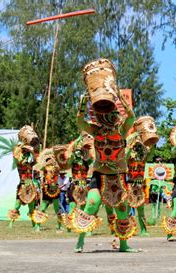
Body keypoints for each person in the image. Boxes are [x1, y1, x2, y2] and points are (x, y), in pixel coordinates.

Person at [71, 60, 136, 252]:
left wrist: (123, 102)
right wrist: (82, 106)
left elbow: (131, 118)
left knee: (122, 211)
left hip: (118, 176)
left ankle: (124, 245)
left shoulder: (121, 129)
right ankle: (80, 241)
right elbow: (80, 122)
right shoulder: (95, 130)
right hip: (99, 175)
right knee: (91, 205)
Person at [8, 126, 40, 229]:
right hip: (22, 185)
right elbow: (16, 156)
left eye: (26, 151)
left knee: (32, 207)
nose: (26, 152)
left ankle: (35, 225)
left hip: (30, 185)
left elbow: (36, 159)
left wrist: (31, 151)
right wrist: (21, 146)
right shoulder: (19, 162)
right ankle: (11, 224)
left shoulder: (30, 161)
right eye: (24, 151)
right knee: (17, 206)